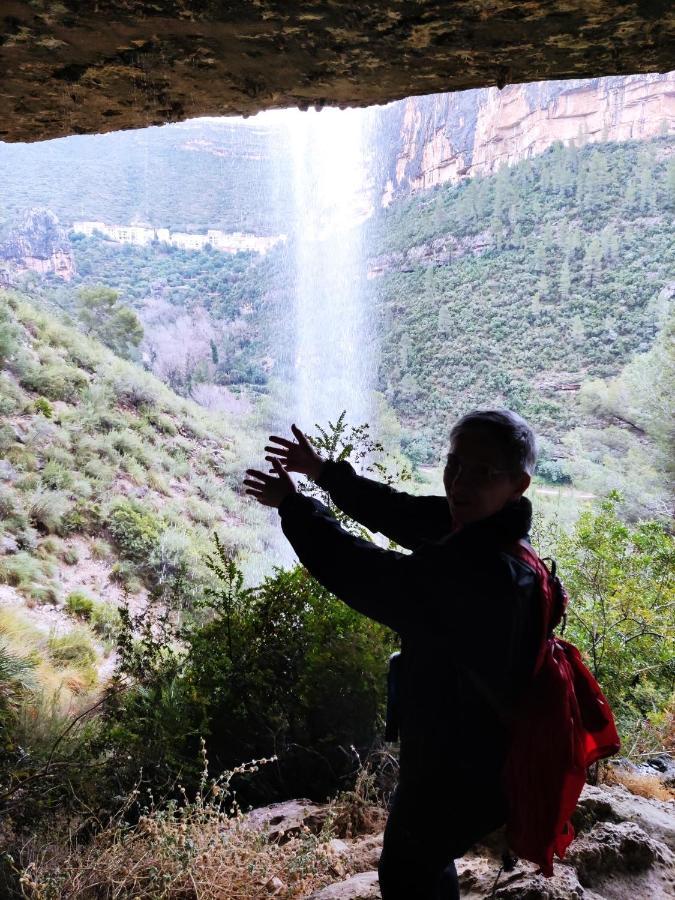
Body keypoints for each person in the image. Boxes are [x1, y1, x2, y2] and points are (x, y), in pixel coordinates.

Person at [244, 409, 543, 900]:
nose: (460, 481)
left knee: (408, 872)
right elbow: (396, 510)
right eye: (454, 464)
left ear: (518, 484)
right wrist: (323, 473)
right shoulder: (485, 530)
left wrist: (293, 507)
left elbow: (366, 573)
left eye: (481, 471)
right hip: (463, 745)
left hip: (462, 763)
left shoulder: (481, 574)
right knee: (423, 864)